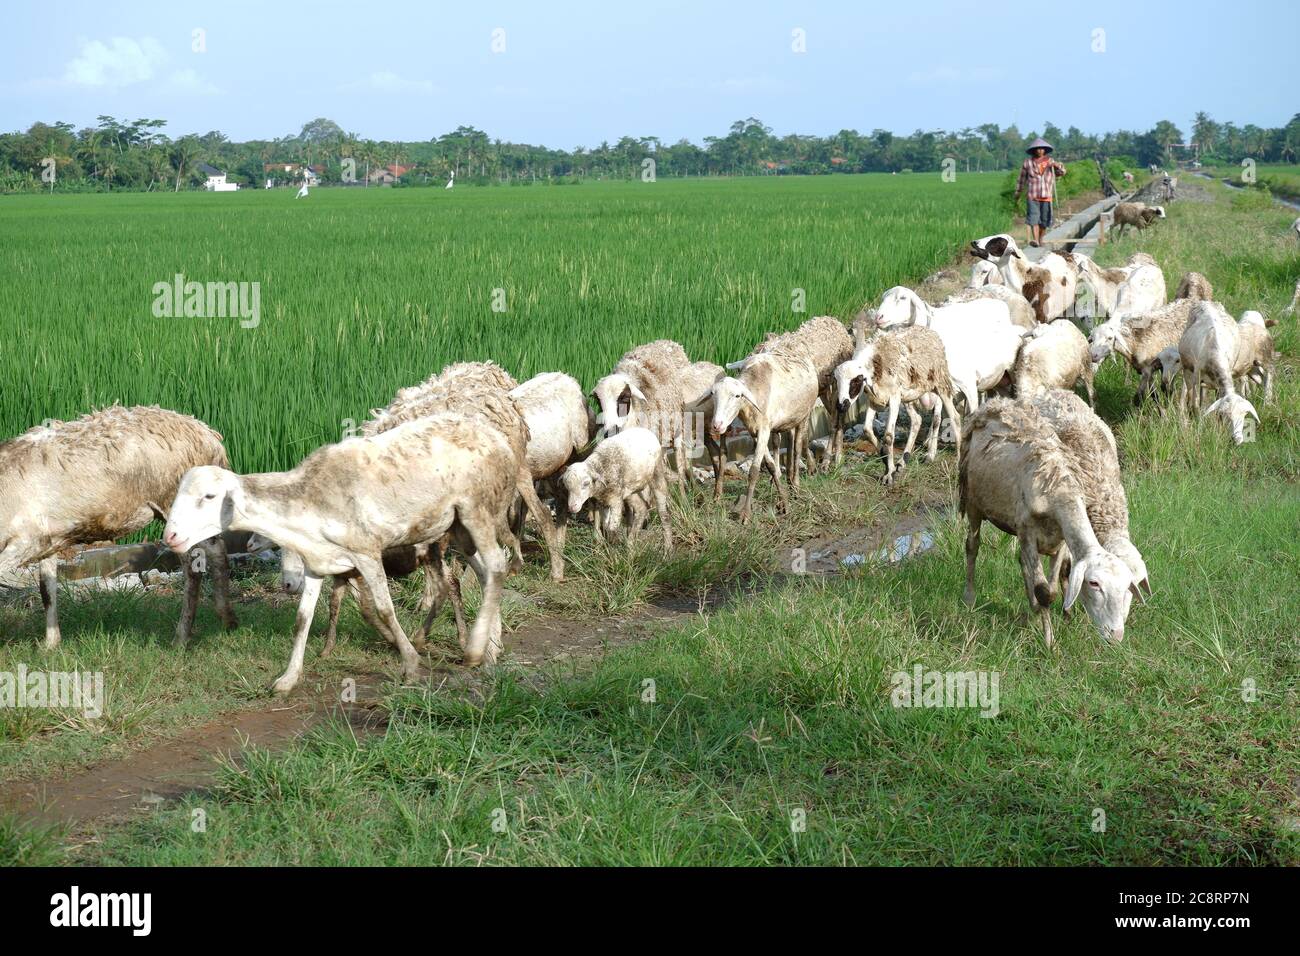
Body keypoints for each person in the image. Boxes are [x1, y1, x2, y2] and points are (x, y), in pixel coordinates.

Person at [1014, 137, 1066, 248]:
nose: (1039, 151)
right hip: (1033, 196)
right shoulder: (1027, 163)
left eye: (1042, 149)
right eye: (1037, 149)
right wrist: (1018, 193)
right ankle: (1036, 240)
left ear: (1045, 150)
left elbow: (1061, 173)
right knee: (1034, 219)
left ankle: (1041, 239)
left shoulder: (1050, 162)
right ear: (1033, 150)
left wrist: (1058, 167)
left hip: (1046, 196)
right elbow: (1021, 179)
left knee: (1044, 221)